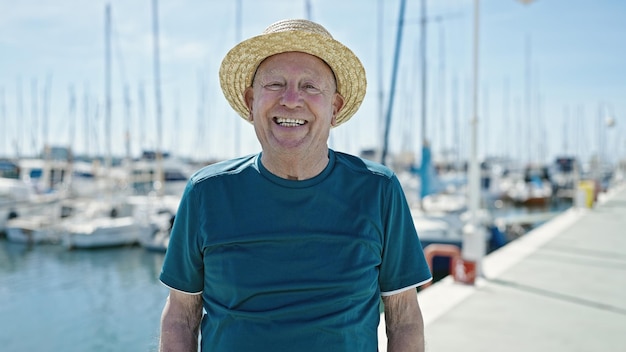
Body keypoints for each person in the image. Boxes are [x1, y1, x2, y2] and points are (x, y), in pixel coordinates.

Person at [158, 18, 432, 352]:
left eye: (310, 87)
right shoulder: (206, 192)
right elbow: (181, 316)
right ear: (250, 101)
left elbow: (403, 318)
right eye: (274, 84)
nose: (291, 99)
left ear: (335, 107)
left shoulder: (378, 190)